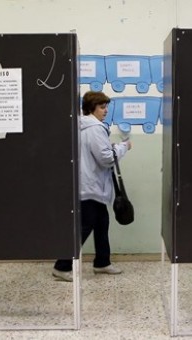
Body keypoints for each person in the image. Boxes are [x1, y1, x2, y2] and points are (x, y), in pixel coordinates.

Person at [53, 91, 131, 282]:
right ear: (91, 108)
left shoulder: (83, 126)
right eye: (102, 107)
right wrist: (123, 147)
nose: (105, 111)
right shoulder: (95, 128)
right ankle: (61, 266)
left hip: (89, 184)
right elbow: (105, 158)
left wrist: (111, 147)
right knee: (85, 226)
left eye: (106, 107)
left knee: (102, 223)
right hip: (92, 186)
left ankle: (102, 262)